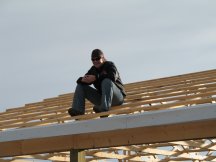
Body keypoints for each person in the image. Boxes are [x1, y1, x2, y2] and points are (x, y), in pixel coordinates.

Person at [68, 49, 126, 117]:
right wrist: (83, 80)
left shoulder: (109, 65)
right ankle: (78, 111)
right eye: (93, 60)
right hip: (103, 99)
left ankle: (104, 110)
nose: (95, 61)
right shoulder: (93, 70)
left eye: (97, 58)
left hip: (117, 98)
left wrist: (96, 77)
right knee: (80, 86)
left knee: (106, 81)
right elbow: (80, 80)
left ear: (103, 58)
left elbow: (112, 77)